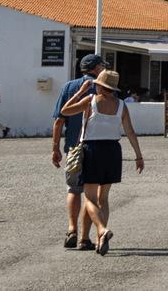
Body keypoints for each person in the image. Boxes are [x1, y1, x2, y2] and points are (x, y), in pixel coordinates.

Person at [59, 69, 145, 257]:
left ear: (99, 85)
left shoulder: (90, 101)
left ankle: (102, 230)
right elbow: (130, 131)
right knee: (103, 198)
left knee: (89, 198)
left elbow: (64, 111)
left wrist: (80, 92)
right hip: (113, 151)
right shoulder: (122, 105)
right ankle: (93, 240)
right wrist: (138, 156)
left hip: (93, 150)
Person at [54, 54, 106, 249]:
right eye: (102, 66)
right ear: (96, 68)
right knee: (91, 194)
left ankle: (71, 230)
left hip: (73, 147)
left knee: (73, 190)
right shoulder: (104, 88)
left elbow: (59, 120)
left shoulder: (68, 87)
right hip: (95, 147)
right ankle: (85, 238)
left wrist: (55, 148)